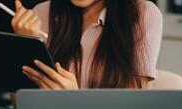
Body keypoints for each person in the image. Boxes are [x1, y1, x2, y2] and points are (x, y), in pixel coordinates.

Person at [11, 0, 163, 89]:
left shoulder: (142, 14)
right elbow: (20, 106)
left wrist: (76, 101)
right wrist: (25, 47)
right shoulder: (40, 13)